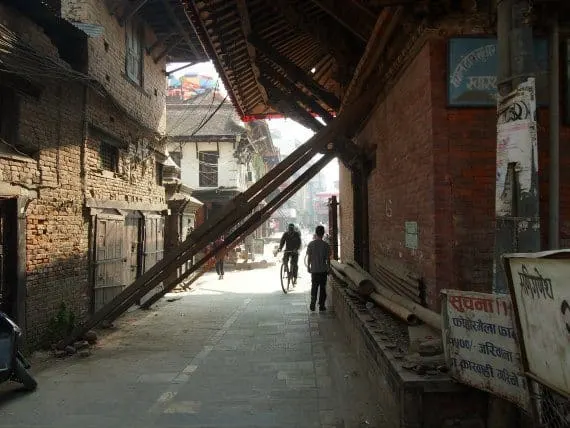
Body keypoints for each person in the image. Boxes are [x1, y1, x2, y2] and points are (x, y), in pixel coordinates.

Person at [306, 225, 331, 312]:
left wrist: (308, 266)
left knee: (314, 286)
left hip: (314, 270)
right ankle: (321, 305)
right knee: (323, 288)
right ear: (323, 233)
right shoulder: (326, 245)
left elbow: (309, 257)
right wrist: (329, 268)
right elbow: (328, 259)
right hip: (323, 270)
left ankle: (313, 301)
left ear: (316, 233)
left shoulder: (311, 244)